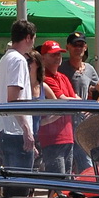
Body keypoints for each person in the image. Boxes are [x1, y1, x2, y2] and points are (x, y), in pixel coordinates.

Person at [0, 20, 38, 171]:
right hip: (15, 132)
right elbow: (13, 99)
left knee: (10, 185)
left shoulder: (5, 58)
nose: (33, 43)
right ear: (28, 38)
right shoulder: (18, 60)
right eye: (33, 38)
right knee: (21, 185)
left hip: (6, 131)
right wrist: (26, 130)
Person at [36, 41, 77, 174]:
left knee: (66, 180)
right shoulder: (44, 78)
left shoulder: (63, 77)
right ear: (43, 57)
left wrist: (76, 101)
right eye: (53, 54)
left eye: (59, 54)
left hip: (68, 135)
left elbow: (75, 99)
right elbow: (64, 100)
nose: (57, 57)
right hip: (52, 138)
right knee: (58, 181)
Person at [60, 34, 99, 100]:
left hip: (82, 108)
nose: (78, 48)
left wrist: (97, 104)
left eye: (81, 45)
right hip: (66, 108)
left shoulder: (89, 69)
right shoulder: (60, 68)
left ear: (85, 47)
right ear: (67, 47)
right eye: (74, 45)